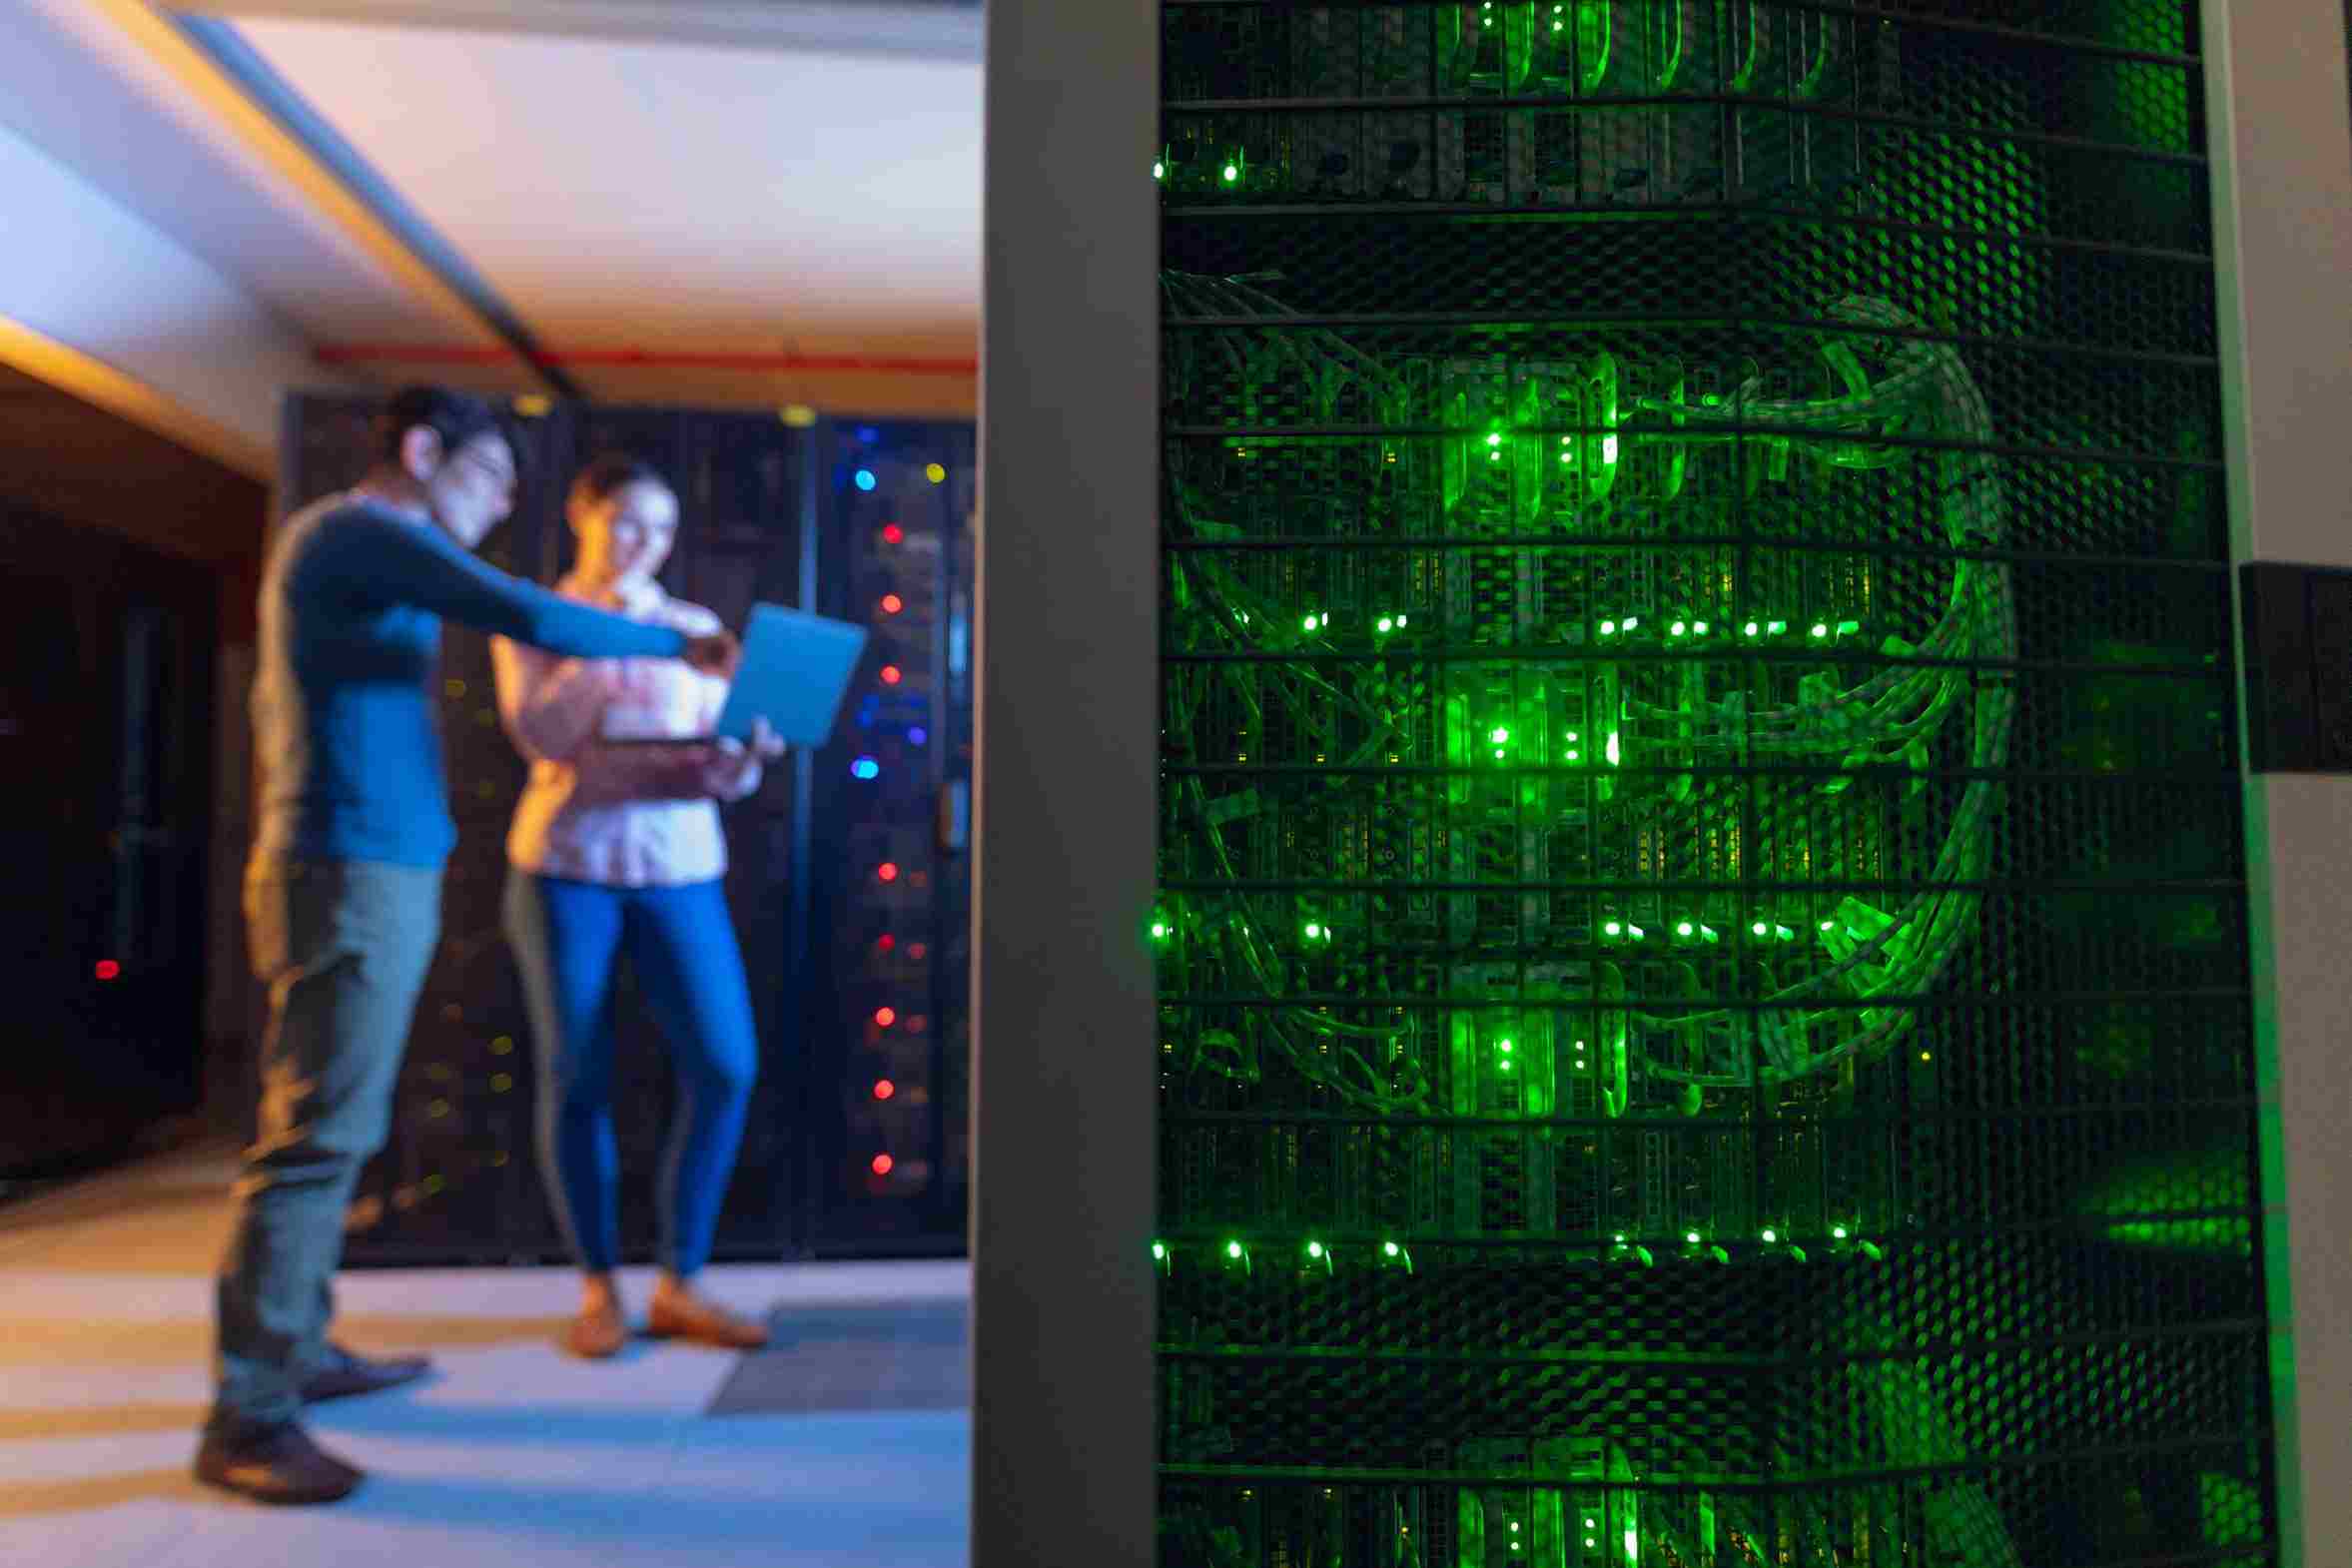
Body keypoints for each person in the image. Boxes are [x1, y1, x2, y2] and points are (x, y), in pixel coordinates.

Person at [201, 389, 739, 1507]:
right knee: (314, 1136)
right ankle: (247, 1413)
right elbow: (526, 616)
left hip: (371, 865)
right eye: (492, 475)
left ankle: (295, 1349)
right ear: (420, 449)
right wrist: (673, 637)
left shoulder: (369, 552)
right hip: (343, 868)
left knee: (339, 1125)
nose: (502, 503)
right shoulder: (359, 534)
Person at [491, 454, 784, 1363]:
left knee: (726, 1066)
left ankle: (679, 1282)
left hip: (680, 866)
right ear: (583, 516)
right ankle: (597, 1288)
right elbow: (537, 733)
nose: (641, 544)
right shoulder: (537, 621)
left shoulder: (698, 629)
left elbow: (723, 768)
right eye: (624, 523)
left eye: (658, 530)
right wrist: (614, 642)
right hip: (565, 867)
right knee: (574, 1074)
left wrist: (750, 755)